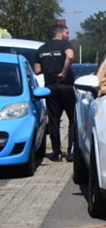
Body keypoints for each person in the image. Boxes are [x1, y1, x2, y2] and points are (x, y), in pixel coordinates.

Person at [33, 24, 76, 161]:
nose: (68, 35)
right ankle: (71, 152)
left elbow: (37, 70)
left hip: (51, 88)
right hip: (66, 86)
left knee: (54, 121)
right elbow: (70, 56)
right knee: (73, 120)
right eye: (67, 32)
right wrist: (63, 72)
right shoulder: (65, 44)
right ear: (59, 33)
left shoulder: (42, 49)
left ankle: (56, 153)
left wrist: (48, 66)